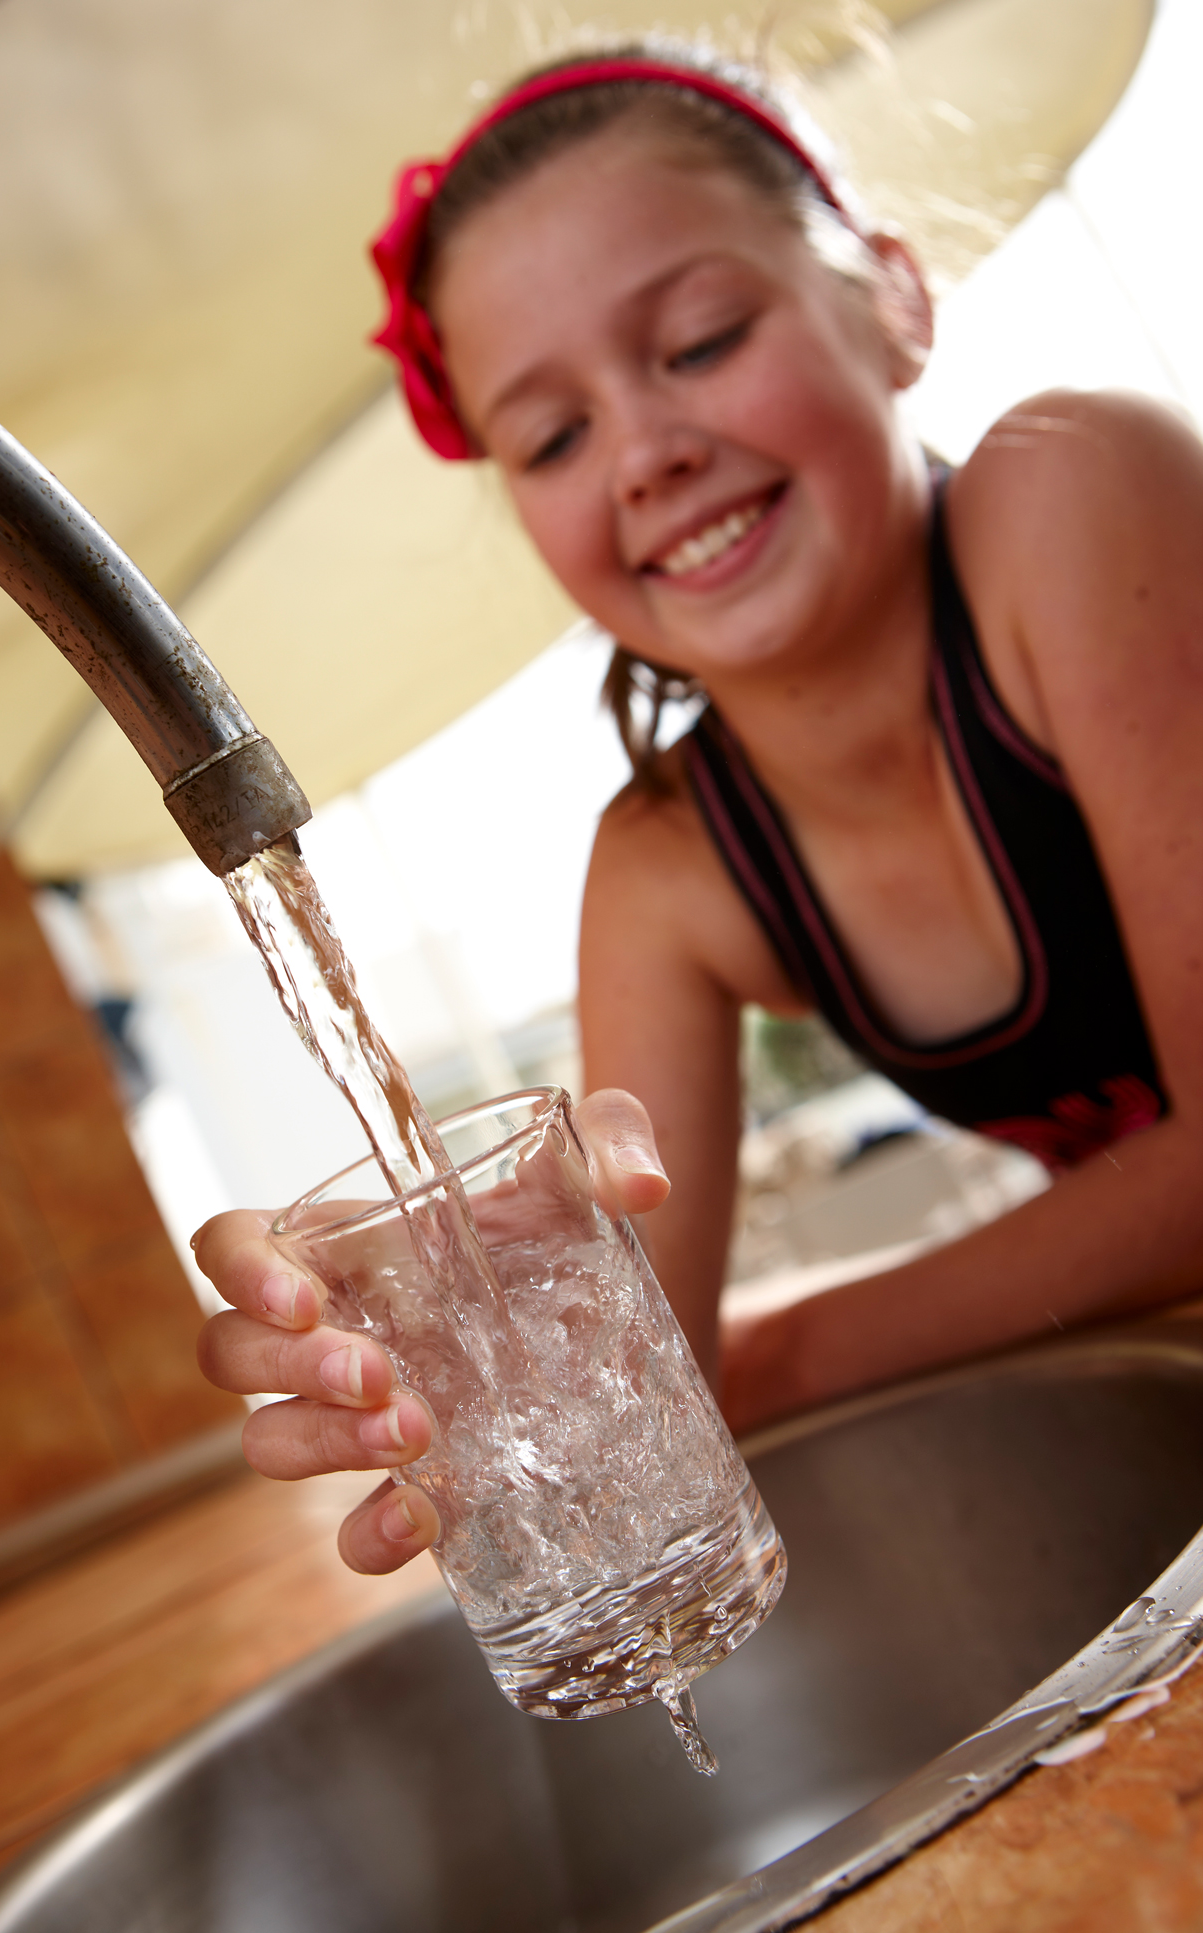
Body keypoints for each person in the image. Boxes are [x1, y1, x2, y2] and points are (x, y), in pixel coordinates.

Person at [193, 44, 1203, 1580]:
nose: (648, 452)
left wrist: (777, 1355)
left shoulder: (1076, 494)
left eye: (703, 338)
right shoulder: (670, 866)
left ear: (894, 303)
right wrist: (405, 1353)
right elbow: (647, 1369)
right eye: (551, 437)